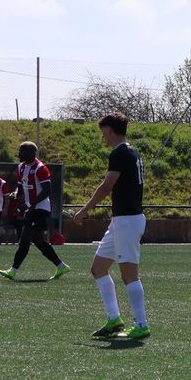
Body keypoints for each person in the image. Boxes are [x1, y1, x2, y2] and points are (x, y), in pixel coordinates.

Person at [70, 113, 149, 339]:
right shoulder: (131, 151)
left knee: (129, 275)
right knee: (98, 268)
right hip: (121, 221)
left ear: (111, 131)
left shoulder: (120, 152)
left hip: (127, 220)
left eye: (104, 133)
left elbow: (106, 186)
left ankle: (141, 324)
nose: (103, 137)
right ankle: (114, 319)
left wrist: (84, 210)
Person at [0, 141, 69, 281]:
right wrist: (16, 194)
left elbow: (46, 191)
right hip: (31, 209)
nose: (18, 153)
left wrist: (29, 203)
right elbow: (21, 186)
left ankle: (13, 271)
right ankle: (61, 266)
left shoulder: (40, 168)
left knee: (25, 238)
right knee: (38, 240)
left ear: (31, 153)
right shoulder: (21, 167)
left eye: (21, 151)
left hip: (41, 209)